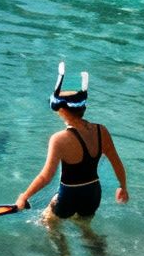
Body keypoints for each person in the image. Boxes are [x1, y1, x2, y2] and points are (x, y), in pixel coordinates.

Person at [15, 64, 129, 222]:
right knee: (85, 229)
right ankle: (98, 246)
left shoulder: (59, 139)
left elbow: (46, 176)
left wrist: (24, 196)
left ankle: (63, 248)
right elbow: (116, 162)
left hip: (69, 196)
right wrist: (123, 187)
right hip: (93, 193)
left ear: (61, 111)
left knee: (48, 223)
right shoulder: (101, 130)